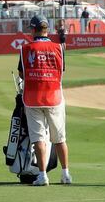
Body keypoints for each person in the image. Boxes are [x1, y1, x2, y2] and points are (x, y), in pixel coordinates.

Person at [18, 14, 71, 186]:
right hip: (54, 97)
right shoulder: (58, 48)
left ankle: (42, 176)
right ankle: (66, 174)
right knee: (59, 138)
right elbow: (62, 70)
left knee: (38, 138)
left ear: (33, 30)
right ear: (47, 29)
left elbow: (22, 73)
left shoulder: (26, 49)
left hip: (33, 98)